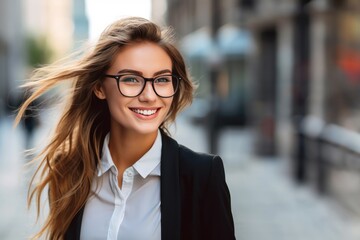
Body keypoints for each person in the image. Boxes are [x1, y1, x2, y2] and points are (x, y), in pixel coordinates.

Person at [16, 17, 235, 240]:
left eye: (161, 80)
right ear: (99, 87)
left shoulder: (202, 176)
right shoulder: (71, 169)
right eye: (131, 79)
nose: (149, 96)